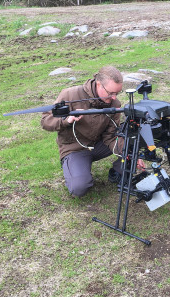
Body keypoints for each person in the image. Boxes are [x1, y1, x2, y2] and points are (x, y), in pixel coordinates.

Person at [41, 66, 125, 198]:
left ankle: (118, 172)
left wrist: (128, 153)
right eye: (111, 93)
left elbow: (110, 136)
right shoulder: (70, 95)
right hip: (74, 149)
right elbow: (45, 121)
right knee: (79, 188)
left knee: (134, 139)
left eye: (117, 93)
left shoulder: (114, 104)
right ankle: (74, 168)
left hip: (100, 144)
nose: (114, 98)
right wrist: (66, 120)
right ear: (99, 85)